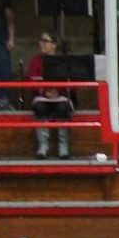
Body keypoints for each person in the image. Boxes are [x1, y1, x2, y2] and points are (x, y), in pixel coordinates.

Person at [27, 30, 72, 159]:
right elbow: (31, 80)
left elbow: (71, 81)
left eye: (45, 41)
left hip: (60, 95)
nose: (41, 44)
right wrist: (44, 91)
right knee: (40, 107)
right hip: (41, 95)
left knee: (63, 108)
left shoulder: (63, 61)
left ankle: (64, 146)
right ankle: (43, 146)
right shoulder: (35, 61)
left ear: (54, 45)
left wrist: (57, 91)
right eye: (41, 41)